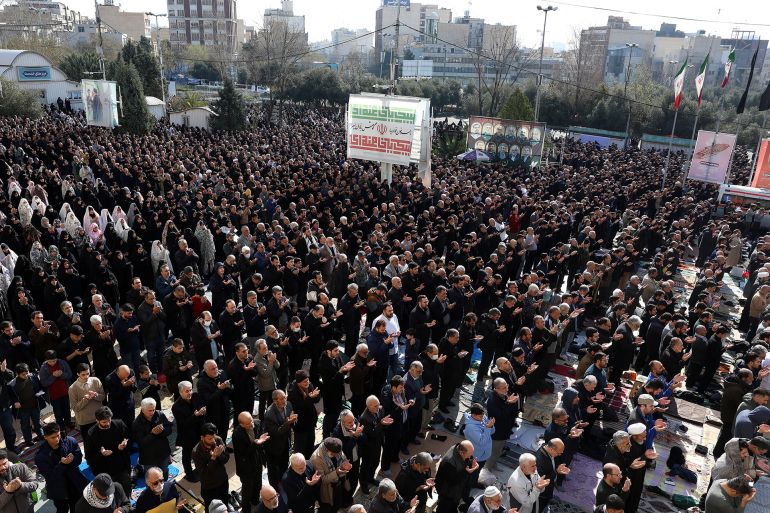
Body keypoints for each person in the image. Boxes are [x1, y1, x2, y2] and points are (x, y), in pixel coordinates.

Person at [35, 422, 89, 513]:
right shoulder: (41, 456)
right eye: (53, 437)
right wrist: (62, 465)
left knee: (76, 508)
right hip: (58, 489)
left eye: (58, 435)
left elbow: (78, 457)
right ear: (45, 437)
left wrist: (72, 460)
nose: (57, 439)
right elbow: (50, 476)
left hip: (74, 483)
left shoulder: (70, 441)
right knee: (62, 509)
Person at [84, 407, 132, 498]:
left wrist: (125, 444)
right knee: (110, 494)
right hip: (104, 469)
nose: (108, 424)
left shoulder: (119, 424)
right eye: (104, 422)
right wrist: (101, 454)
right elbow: (89, 457)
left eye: (109, 420)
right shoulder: (91, 434)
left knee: (126, 487)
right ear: (97, 421)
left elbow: (129, 437)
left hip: (121, 464)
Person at [232, 411, 270, 513]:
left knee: (258, 484)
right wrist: (256, 443)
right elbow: (244, 453)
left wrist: (262, 443)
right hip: (246, 467)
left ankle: (255, 501)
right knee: (247, 491)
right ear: (242, 424)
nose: (252, 424)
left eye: (251, 421)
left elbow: (261, 439)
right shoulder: (237, 434)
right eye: (248, 424)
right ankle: (246, 509)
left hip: (257, 461)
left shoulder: (257, 424)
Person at [172, 381, 206, 482]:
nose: (190, 393)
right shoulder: (176, 407)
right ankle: (189, 474)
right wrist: (195, 416)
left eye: (190, 390)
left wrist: (202, 412)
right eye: (187, 391)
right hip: (187, 435)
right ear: (180, 392)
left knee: (200, 451)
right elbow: (183, 423)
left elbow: (202, 407)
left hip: (199, 430)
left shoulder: (196, 396)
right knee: (187, 456)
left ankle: (201, 468)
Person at [192, 423, 230, 511]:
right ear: (202, 437)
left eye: (214, 437)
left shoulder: (218, 440)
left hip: (223, 480)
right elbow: (204, 473)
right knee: (211, 509)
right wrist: (213, 458)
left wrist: (220, 455)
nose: (213, 440)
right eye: (209, 438)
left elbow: (226, 458)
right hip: (209, 486)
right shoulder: (196, 451)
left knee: (224, 505)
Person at [132, 397, 173, 477]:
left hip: (163, 452)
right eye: (149, 410)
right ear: (143, 410)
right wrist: (152, 434)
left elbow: (169, 429)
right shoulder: (137, 423)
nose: (152, 412)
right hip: (149, 457)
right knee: (151, 476)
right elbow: (140, 442)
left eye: (153, 410)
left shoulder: (160, 414)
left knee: (164, 472)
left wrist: (162, 430)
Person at [310, 437, 353, 513]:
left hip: (339, 483)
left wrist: (345, 464)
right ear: (327, 450)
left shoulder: (337, 449)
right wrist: (336, 473)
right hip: (327, 489)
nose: (336, 455)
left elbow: (343, 458)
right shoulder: (316, 458)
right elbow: (322, 480)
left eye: (338, 453)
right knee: (328, 508)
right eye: (334, 454)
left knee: (337, 504)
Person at [434, 441, 479, 513]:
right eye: (469, 455)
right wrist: (467, 472)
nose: (470, 457)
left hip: (456, 493)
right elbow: (453, 481)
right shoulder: (449, 461)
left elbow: (465, 463)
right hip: (447, 494)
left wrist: (471, 464)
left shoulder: (459, 448)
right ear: (461, 452)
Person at [196, 359, 233, 447]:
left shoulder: (222, 373)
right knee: (214, 434)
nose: (216, 370)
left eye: (216, 367)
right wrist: (220, 390)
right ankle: (216, 450)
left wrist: (229, 387)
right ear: (206, 370)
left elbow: (229, 392)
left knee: (224, 430)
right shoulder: (201, 383)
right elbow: (208, 400)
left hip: (225, 409)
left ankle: (223, 447)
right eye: (212, 369)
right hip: (213, 413)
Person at [263, 389, 296, 486]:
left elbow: (291, 421)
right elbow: (277, 432)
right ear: (275, 401)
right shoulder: (269, 415)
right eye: (281, 399)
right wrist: (288, 423)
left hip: (285, 442)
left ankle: (284, 482)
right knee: (273, 470)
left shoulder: (288, 405)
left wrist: (293, 421)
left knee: (284, 464)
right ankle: (274, 487)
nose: (284, 400)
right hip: (274, 447)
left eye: (285, 397)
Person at [9, 363, 46, 448]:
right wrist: (15, 402)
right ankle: (28, 440)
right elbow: (11, 397)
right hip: (23, 409)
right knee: (25, 425)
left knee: (37, 422)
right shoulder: (13, 384)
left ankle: (41, 435)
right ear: (17, 374)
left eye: (27, 373)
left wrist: (39, 392)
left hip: (34, 405)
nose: (26, 375)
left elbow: (39, 386)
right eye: (23, 374)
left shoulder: (33, 377)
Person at [485, 377, 519, 470]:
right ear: (496, 389)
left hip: (504, 431)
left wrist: (512, 403)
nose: (507, 389)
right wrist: (508, 403)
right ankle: (487, 470)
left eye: (506, 386)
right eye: (503, 388)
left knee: (498, 451)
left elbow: (512, 413)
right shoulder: (492, 401)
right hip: (497, 433)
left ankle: (493, 465)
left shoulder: (504, 395)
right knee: (494, 452)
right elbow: (500, 416)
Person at [68, 363, 105, 446]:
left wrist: (95, 395)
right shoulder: (72, 388)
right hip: (85, 421)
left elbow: (103, 397)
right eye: (83, 374)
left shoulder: (96, 380)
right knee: (89, 444)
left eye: (88, 373)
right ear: (78, 374)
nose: (86, 376)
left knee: (103, 441)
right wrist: (85, 399)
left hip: (99, 417)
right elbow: (75, 408)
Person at [535, 438, 570, 513]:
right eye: (558, 453)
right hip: (542, 493)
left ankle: (548, 499)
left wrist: (557, 469)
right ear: (551, 449)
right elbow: (540, 482)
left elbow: (550, 468)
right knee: (540, 506)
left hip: (549, 487)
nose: (560, 455)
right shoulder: (540, 461)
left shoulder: (546, 447)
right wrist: (557, 472)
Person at [0, 448, 38, 513]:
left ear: (8, 460)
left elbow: (35, 484)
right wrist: (8, 492)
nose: (2, 467)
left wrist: (21, 486)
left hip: (28, 509)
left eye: (4, 463)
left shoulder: (21, 468)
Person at [228, 342, 258, 421]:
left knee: (249, 413)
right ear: (237, 353)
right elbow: (237, 383)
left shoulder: (249, 358)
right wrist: (246, 370)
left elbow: (256, 372)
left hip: (250, 392)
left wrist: (250, 369)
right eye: (243, 351)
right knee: (240, 417)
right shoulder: (232, 365)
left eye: (247, 350)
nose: (246, 353)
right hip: (239, 396)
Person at [104, 365, 137, 429]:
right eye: (123, 377)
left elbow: (135, 389)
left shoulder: (131, 372)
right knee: (119, 426)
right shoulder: (109, 379)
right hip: (117, 406)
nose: (126, 378)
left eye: (127, 376)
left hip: (129, 403)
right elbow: (114, 395)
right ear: (117, 373)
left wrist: (131, 384)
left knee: (131, 423)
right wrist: (123, 386)